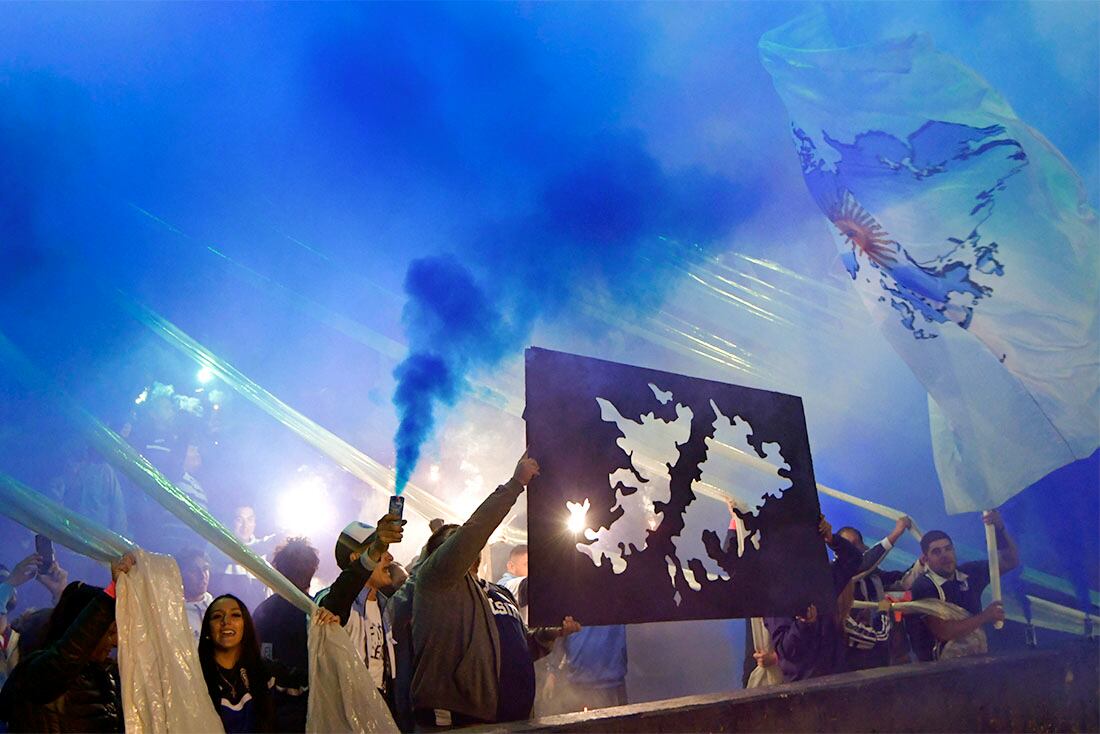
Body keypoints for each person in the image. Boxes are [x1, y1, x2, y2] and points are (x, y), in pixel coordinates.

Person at [410, 452, 582, 728]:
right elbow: (473, 532)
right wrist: (515, 485)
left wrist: (553, 633)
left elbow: (518, 645)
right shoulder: (435, 581)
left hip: (511, 717)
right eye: (454, 540)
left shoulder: (497, 592)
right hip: (458, 719)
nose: (469, 545)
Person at [0, 553, 136, 732]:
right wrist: (108, 597)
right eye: (109, 631)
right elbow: (66, 657)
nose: (116, 641)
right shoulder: (35, 673)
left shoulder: (105, 677)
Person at [198, 593, 338, 733]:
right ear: (207, 629)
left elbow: (318, 687)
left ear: (245, 626)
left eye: (235, 615)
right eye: (217, 616)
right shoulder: (196, 676)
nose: (226, 621)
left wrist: (328, 632)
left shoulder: (265, 672)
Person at [908, 510, 1019, 661]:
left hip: (975, 661)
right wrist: (986, 616)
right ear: (926, 559)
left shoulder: (970, 573)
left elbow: (1010, 561)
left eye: (948, 549)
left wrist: (999, 529)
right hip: (938, 671)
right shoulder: (924, 586)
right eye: (936, 552)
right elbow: (944, 632)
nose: (945, 555)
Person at [316, 516, 406, 698]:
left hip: (381, 713)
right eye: (379, 551)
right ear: (357, 558)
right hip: (346, 714)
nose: (389, 557)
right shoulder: (332, 600)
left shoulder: (387, 606)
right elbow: (337, 599)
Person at [764, 516, 861, 682]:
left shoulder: (824, 577)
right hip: (804, 686)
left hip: (837, 678)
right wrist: (804, 624)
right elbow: (786, 651)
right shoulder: (776, 593)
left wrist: (831, 539)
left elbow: (855, 559)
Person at [837, 516, 923, 670]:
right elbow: (864, 564)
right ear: (837, 552)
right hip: (853, 657)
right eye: (849, 545)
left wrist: (922, 563)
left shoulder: (874, 575)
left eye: (858, 543)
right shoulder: (836, 576)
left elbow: (902, 583)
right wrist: (896, 533)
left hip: (883, 651)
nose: (856, 548)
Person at [178, 548, 214, 643]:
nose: (202, 576)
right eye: (194, 570)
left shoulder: (217, 609)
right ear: (181, 573)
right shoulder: (174, 611)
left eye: (205, 569)